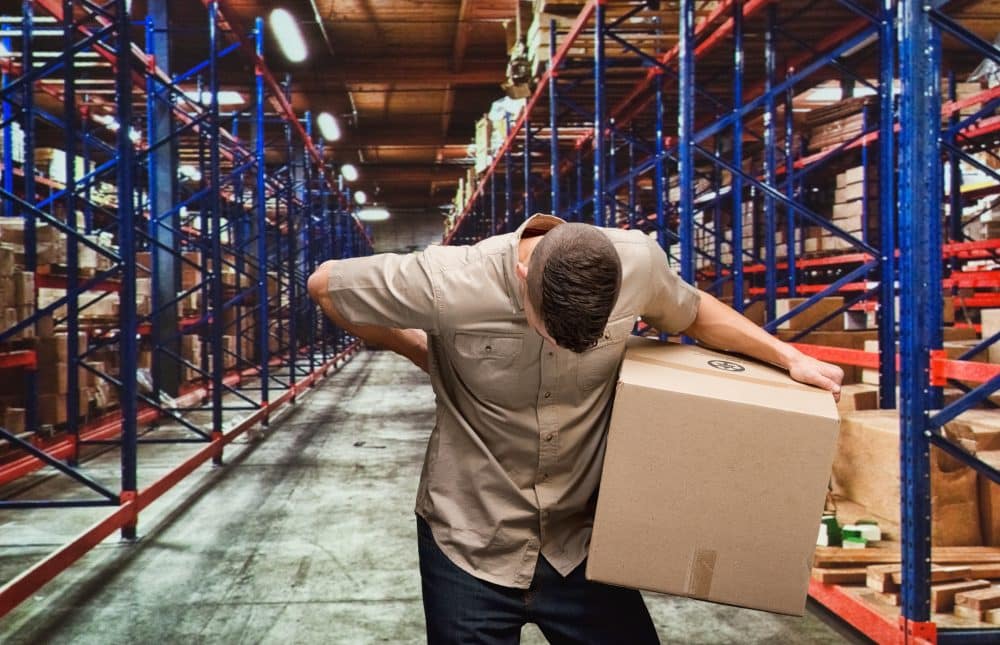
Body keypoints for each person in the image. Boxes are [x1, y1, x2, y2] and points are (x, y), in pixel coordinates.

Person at [307, 214, 843, 644]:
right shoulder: (447, 279)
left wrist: (786, 355)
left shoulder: (638, 261)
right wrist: (423, 352)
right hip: (468, 536)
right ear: (524, 280)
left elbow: (695, 311)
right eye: (553, 334)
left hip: (581, 537)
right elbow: (326, 286)